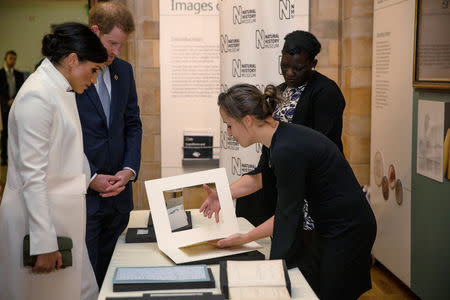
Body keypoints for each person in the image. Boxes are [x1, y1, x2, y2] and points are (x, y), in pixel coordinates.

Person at [203, 83, 376, 300]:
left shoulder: (286, 149)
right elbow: (258, 178)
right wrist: (222, 194)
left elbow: (287, 216)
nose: (228, 133)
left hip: (349, 228)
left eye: (229, 126)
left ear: (247, 120)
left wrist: (244, 237)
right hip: (331, 224)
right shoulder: (278, 137)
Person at [0, 22, 107, 300]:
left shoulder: (60, 88)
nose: (94, 79)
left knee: (85, 292)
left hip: (63, 221)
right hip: (38, 226)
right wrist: (44, 243)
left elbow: (68, 148)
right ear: (72, 60)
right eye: (93, 69)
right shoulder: (37, 95)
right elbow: (32, 175)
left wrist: (92, 179)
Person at [235, 30, 346, 228]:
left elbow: (324, 145)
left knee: (309, 248)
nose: (289, 73)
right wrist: (263, 171)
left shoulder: (326, 92)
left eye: (298, 68)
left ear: (313, 64)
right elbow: (271, 141)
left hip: (313, 186)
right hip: (285, 182)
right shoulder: (281, 90)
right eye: (284, 66)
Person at [76, 2, 142, 288]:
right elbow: (67, 137)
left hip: (119, 198)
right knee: (87, 281)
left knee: (114, 278)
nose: (116, 52)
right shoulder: (73, 71)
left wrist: (128, 170)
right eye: (112, 43)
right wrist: (90, 178)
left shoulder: (124, 71)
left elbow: (132, 124)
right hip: (84, 198)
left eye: (122, 45)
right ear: (94, 32)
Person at [0, 50, 24, 165]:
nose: (12, 61)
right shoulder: (0, 74)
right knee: (4, 133)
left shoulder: (19, 75)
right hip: (4, 107)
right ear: (6, 59)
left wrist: (14, 99)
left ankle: (16, 157)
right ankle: (3, 157)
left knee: (16, 133)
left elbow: (21, 90)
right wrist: (6, 101)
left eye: (14, 59)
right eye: (10, 58)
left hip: (16, 106)